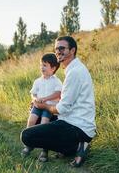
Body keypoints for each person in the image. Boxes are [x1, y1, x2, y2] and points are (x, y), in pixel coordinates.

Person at [21, 36, 96, 167]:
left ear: (72, 50)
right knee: (38, 118)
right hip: (74, 122)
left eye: (62, 48)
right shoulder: (74, 69)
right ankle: (67, 149)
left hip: (77, 127)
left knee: (27, 136)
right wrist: (40, 105)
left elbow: (62, 109)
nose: (58, 52)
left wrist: (43, 105)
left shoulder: (74, 72)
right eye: (56, 49)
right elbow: (66, 103)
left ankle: (78, 146)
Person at [21, 53, 62, 162]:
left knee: (44, 124)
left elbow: (58, 94)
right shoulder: (38, 81)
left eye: (45, 65)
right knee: (31, 121)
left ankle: (44, 150)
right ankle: (29, 144)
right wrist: (34, 99)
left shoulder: (56, 81)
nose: (41, 67)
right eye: (41, 65)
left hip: (48, 107)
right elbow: (33, 93)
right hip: (37, 105)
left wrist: (45, 98)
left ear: (53, 68)